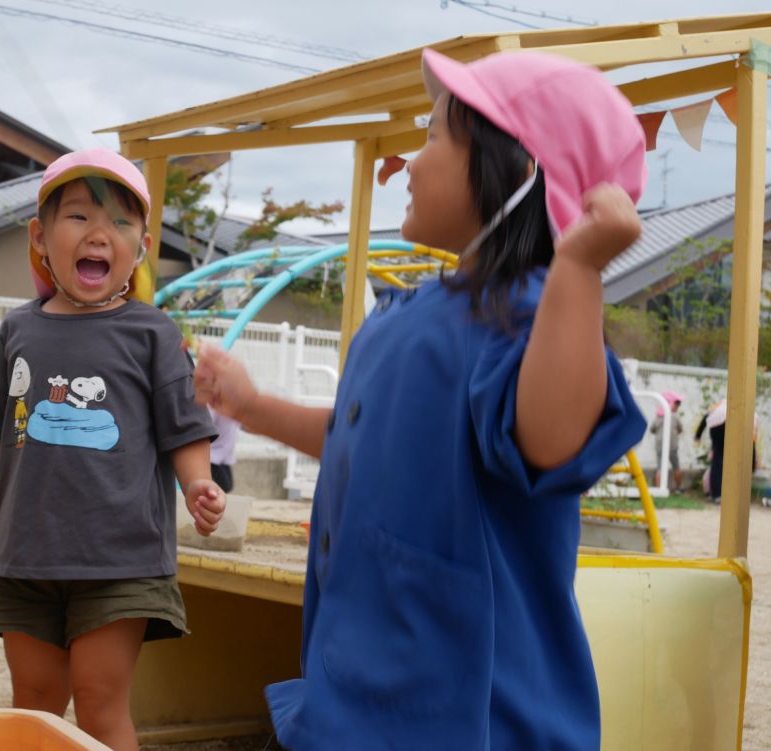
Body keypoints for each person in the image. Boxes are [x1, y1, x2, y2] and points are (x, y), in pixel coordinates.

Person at [194, 49, 647, 749]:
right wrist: (251, 407)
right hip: (360, 691)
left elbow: (551, 438)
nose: (408, 161)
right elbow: (368, 441)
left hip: (473, 714)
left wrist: (578, 269)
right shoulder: (408, 313)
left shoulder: (530, 316)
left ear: (517, 171)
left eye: (434, 134)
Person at [0, 148, 226, 750]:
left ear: (142, 246)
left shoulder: (151, 332)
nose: (100, 234)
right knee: (36, 706)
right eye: (78, 217)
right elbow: (1, 425)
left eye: (120, 224)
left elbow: (184, 426)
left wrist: (198, 483)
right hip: (25, 556)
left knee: (101, 706)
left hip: (119, 561)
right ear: (40, 236)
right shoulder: (18, 329)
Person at [650, 390, 684, 491]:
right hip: (672, 446)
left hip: (660, 446)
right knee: (676, 466)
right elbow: (680, 429)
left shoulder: (659, 417)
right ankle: (679, 488)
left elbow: (652, 429)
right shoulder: (675, 416)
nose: (677, 407)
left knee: (659, 467)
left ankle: (658, 488)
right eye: (676, 405)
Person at [208, 407, 240, 493]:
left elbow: (245, 425)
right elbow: (205, 424)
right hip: (212, 456)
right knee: (225, 486)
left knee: (227, 486)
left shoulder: (236, 408)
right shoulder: (213, 407)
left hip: (223, 456)